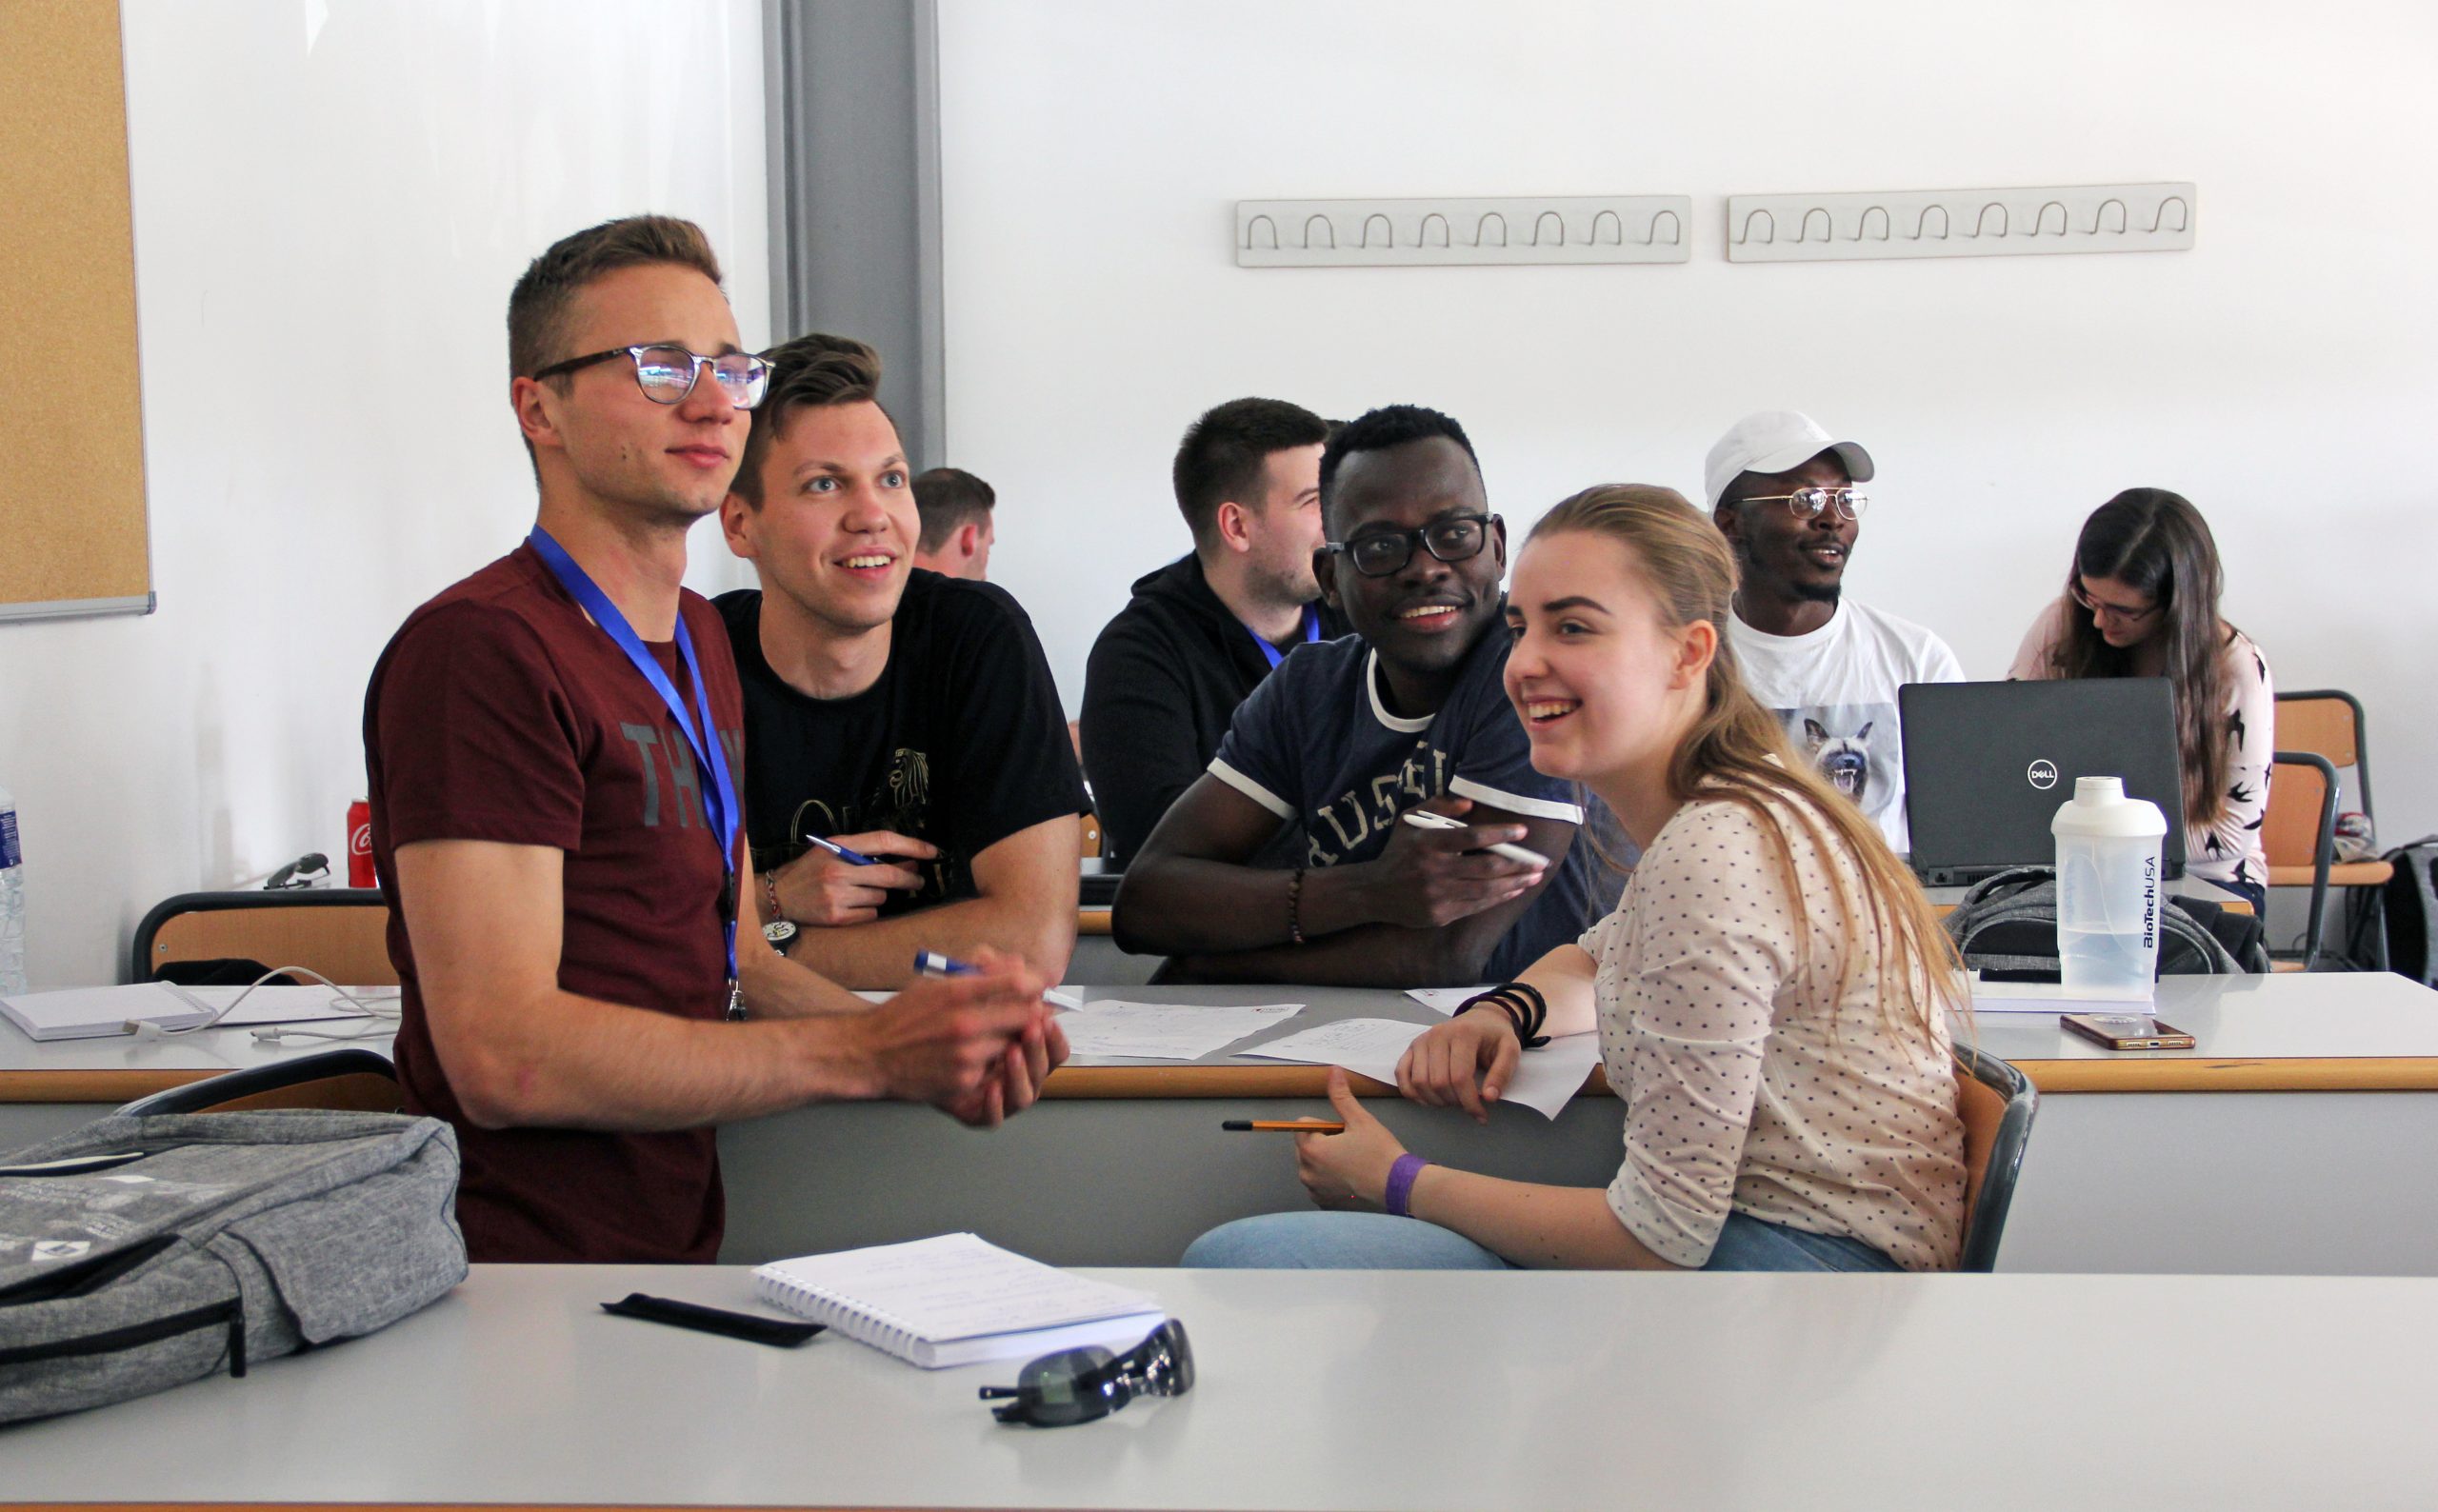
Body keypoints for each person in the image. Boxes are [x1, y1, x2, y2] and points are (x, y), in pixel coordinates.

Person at [363, 216, 1064, 1264]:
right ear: (537, 404)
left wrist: (938, 1043)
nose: (709, 401)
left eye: (729, 369)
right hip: (510, 1267)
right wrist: (866, 1051)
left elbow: (735, 960)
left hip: (673, 1238)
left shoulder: (694, 637)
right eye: (656, 367)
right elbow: (502, 1057)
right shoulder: (484, 651)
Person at [1185, 485, 1968, 1272]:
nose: (1523, 664)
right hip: (1780, 1249)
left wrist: (1396, 1180)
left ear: (1689, 653)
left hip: (1808, 1282)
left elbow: (1658, 1241)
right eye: (1520, 628)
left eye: (1574, 629)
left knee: (1245, 1262)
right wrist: (1508, 1011)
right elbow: (1598, 956)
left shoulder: (1717, 852)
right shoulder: (1735, 800)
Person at [1112, 405, 1603, 986]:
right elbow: (1145, 902)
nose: (1425, 568)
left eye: (1453, 535)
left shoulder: (1531, 676)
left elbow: (1444, 955)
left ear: (1496, 548)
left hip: (1535, 1056)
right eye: (1378, 547)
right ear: (1329, 579)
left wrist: (1210, 964)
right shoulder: (1308, 688)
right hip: (1340, 1044)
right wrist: (1368, 890)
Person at [716, 334, 1088, 988]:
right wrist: (775, 896)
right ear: (741, 525)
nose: (873, 516)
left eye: (891, 479)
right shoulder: (696, 659)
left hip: (949, 1063)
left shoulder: (977, 638)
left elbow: (1031, 945)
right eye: (824, 484)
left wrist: (759, 947)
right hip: (753, 1061)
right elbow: (635, 936)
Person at [1080, 397, 1343, 866]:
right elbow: (1167, 855)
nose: (1340, 521)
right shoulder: (1137, 658)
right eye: (1316, 502)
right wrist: (1368, 861)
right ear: (1237, 526)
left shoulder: (1361, 617)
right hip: (1243, 935)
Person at [1707, 409, 1963, 851]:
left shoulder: (1916, 657)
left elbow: (1961, 823)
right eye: (1804, 500)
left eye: (1844, 500)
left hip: (1881, 912)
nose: (1833, 518)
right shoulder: (1689, 661)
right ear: (1731, 524)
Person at [2009, 488, 2273, 909]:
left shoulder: (2235, 665)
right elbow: (2006, 753)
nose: (2098, 620)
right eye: (2088, 597)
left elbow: (2231, 834)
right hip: (2069, 868)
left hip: (2202, 882)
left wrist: (2095, 836)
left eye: (2122, 610)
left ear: (2176, 604)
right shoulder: (2062, 625)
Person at [910, 466, 994, 580]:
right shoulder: (986, 596)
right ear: (969, 539)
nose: (984, 576)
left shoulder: (882, 592)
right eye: (987, 550)